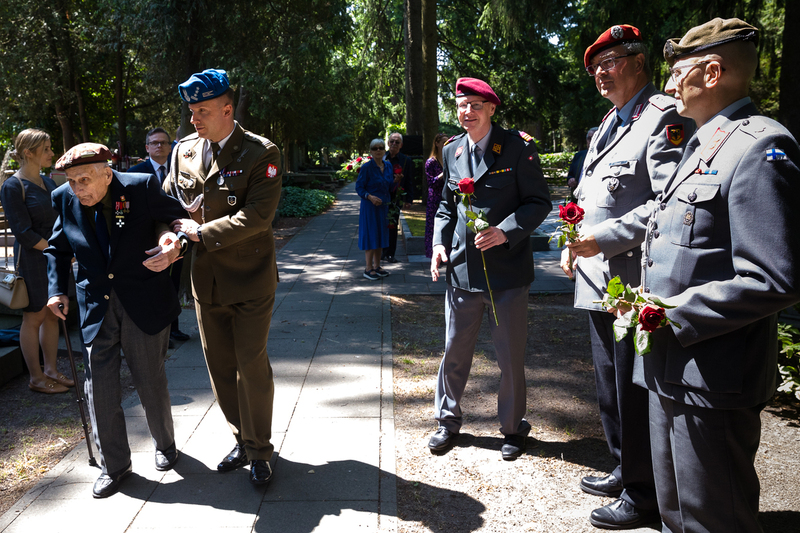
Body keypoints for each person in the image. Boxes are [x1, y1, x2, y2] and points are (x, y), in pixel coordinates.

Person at [574, 18, 800, 531]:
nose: (670, 84)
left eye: (679, 72)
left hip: (713, 376)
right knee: (675, 513)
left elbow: (774, 277)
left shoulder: (761, 147)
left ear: (713, 73)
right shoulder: (703, 143)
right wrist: (643, 300)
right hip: (670, 367)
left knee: (713, 516)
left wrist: (665, 313)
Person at [561, 24, 695, 530]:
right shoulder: (610, 123)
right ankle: (624, 468)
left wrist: (602, 239)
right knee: (610, 388)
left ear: (640, 63)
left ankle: (643, 495)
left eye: (611, 61)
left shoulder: (662, 117)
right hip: (597, 278)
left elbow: (667, 202)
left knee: (634, 391)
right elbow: (592, 197)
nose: (601, 72)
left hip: (631, 282)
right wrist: (574, 242)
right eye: (595, 67)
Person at [46, 143, 188, 498]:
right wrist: (56, 290)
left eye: (84, 180)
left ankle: (166, 444)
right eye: (71, 181)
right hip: (95, 305)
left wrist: (174, 244)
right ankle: (115, 464)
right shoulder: (63, 198)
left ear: (107, 174)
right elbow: (57, 248)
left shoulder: (140, 187)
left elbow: (178, 221)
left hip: (143, 300)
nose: (77, 188)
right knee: (99, 388)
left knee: (149, 379)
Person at [167, 69, 282, 486]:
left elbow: (258, 215)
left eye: (202, 110)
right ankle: (241, 439)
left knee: (250, 364)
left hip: (250, 277)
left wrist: (200, 233)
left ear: (227, 109)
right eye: (191, 111)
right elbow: (170, 205)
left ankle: (261, 450)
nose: (194, 118)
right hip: (206, 280)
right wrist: (170, 235)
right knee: (219, 367)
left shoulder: (260, 152)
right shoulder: (184, 151)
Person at [428, 77, 551, 460]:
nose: (467, 112)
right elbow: (447, 206)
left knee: (509, 358)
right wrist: (438, 243)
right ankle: (447, 421)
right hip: (462, 272)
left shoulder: (517, 147)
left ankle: (513, 428)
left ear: (491, 108)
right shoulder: (452, 150)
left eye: (475, 105)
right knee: (454, 352)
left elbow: (538, 202)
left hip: (507, 275)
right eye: (461, 105)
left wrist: (504, 231)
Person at [0, 129, 70, 394]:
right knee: (34, 316)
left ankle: (50, 370)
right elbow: (23, 233)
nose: (52, 153)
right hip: (32, 258)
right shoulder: (12, 186)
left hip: (53, 257)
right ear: (28, 152)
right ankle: (36, 378)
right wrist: (57, 250)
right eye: (46, 149)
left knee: (53, 314)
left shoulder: (48, 183)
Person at [129, 127, 190, 345]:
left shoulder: (180, 170)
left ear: (170, 147)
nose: (159, 146)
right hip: (148, 238)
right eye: (154, 143)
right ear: (147, 147)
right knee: (154, 286)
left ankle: (174, 329)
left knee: (174, 283)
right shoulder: (135, 173)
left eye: (164, 142)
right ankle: (159, 333)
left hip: (176, 236)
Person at [356, 139, 395, 280]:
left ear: (384, 150)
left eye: (381, 148)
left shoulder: (388, 166)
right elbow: (359, 187)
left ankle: (377, 266)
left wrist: (396, 181)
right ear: (371, 151)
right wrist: (370, 197)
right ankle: (368, 268)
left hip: (383, 206)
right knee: (371, 234)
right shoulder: (367, 167)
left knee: (381, 235)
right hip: (370, 207)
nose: (378, 150)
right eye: (375, 148)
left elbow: (390, 186)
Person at [382, 132, 414, 263]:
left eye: (397, 142)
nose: (394, 144)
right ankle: (380, 252)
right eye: (392, 141)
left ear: (401, 145)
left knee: (392, 225)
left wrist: (409, 200)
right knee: (380, 225)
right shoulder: (381, 157)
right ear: (388, 143)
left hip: (396, 197)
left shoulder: (406, 161)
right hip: (380, 197)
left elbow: (409, 181)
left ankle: (390, 253)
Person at [424, 133, 448, 258]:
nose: (445, 145)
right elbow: (431, 182)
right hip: (435, 199)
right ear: (437, 144)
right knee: (433, 227)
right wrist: (443, 174)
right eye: (443, 142)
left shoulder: (448, 160)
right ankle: (432, 254)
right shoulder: (431, 162)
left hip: (447, 197)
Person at [565, 127, 597, 192]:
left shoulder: (606, 156)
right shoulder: (579, 156)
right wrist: (570, 180)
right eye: (589, 138)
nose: (591, 142)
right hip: (579, 194)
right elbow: (570, 175)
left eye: (595, 138)